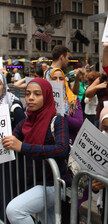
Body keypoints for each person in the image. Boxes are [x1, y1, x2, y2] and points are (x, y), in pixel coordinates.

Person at [2, 78, 71, 224]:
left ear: (46, 96)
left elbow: (62, 149)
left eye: (37, 94)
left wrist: (23, 147)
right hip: (34, 183)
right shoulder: (25, 123)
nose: (31, 98)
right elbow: (11, 139)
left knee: (14, 210)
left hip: (54, 184)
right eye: (27, 94)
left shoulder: (58, 121)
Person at [0, 71, 26, 223]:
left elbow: (24, 129)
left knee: (8, 196)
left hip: (11, 164)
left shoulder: (13, 105)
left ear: (4, 86)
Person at [49, 68, 83, 144]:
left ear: (65, 82)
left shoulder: (73, 100)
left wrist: (62, 115)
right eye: (54, 78)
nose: (58, 81)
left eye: (61, 79)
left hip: (67, 143)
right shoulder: (41, 98)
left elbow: (79, 124)